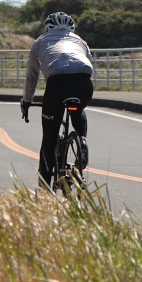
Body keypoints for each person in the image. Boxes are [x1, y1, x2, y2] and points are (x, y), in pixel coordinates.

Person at [20, 12, 93, 187]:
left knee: (50, 136)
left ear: (48, 28)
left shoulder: (40, 41)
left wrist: (27, 101)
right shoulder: (80, 41)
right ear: (71, 28)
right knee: (78, 109)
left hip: (57, 84)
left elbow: (32, 76)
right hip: (84, 83)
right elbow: (89, 62)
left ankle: (45, 182)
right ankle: (82, 140)